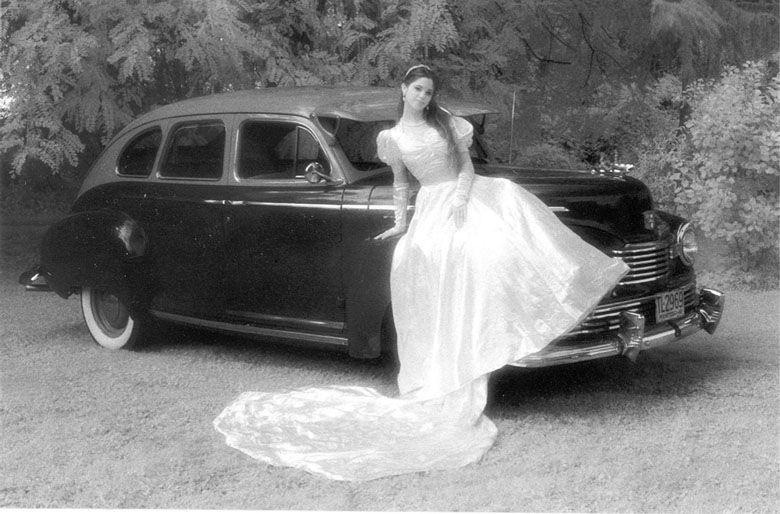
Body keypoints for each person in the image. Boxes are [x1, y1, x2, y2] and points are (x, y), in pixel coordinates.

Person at [213, 65, 629, 482]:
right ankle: (442, 367)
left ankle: (490, 340)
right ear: (404, 90)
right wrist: (399, 222)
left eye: (429, 91)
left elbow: (466, 168)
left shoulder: (448, 125)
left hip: (465, 199)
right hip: (429, 208)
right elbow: (399, 184)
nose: (424, 97)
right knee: (418, 265)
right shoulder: (392, 139)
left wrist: (462, 199)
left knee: (489, 254)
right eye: (418, 90)